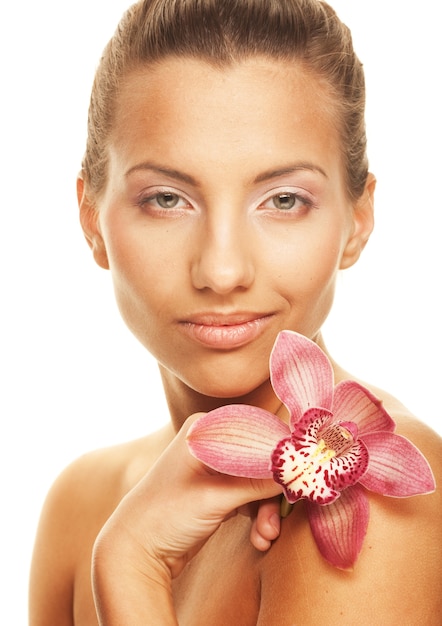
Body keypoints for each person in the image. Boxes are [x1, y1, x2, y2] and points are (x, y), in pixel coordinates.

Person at [29, 0, 442, 624]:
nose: (222, 272)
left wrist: (131, 566)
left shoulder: (376, 499)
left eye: (282, 200)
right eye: (167, 198)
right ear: (91, 219)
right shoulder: (80, 502)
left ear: (358, 221)